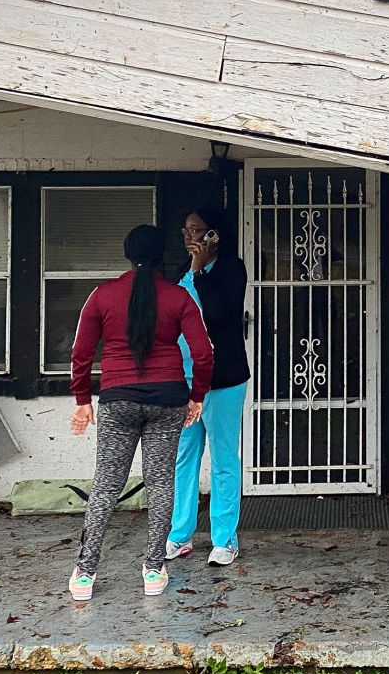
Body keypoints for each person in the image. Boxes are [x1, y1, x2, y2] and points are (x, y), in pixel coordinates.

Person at [67, 224, 212, 601]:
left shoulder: (102, 296)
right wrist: (196, 397)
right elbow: (203, 354)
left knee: (106, 484)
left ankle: (85, 573)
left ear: (128, 255)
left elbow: (81, 354)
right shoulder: (179, 297)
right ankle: (153, 569)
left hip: (117, 399)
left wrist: (82, 399)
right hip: (168, 400)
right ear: (163, 255)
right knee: (162, 481)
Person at [165, 204, 251, 567]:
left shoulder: (231, 268)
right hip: (185, 378)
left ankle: (224, 539)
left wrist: (200, 273)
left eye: (197, 230)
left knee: (224, 459)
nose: (189, 236)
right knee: (184, 458)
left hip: (224, 379)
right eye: (186, 229)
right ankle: (179, 534)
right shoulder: (181, 270)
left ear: (214, 234)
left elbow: (218, 313)